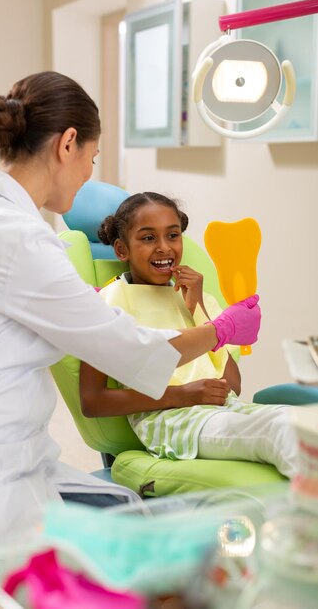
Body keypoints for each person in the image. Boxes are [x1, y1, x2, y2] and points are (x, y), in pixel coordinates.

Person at [0, 71, 260, 609]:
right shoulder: (19, 240)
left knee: (125, 516)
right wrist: (220, 330)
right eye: (92, 157)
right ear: (68, 143)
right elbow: (131, 350)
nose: (91, 173)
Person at [80, 192, 298, 478]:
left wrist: (197, 308)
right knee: (280, 432)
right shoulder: (108, 303)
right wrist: (181, 395)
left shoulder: (194, 298)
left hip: (223, 411)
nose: (163, 248)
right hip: (170, 422)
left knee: (303, 424)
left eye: (173, 235)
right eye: (148, 238)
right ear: (122, 249)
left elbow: (232, 383)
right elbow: (93, 401)